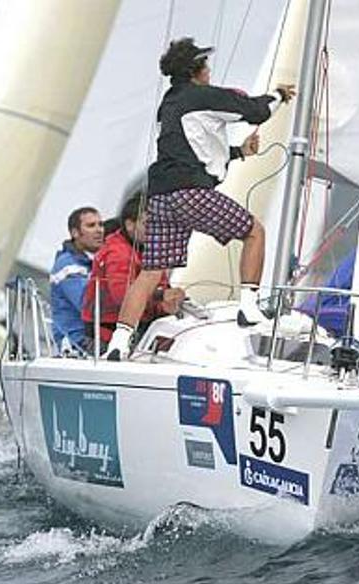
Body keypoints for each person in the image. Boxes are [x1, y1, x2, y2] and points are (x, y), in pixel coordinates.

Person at [103, 37, 296, 360]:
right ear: (197, 70)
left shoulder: (169, 103)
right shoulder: (200, 96)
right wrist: (279, 95)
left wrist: (238, 152)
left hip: (161, 198)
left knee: (151, 272)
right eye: (205, 64)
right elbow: (255, 111)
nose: (209, 69)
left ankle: (118, 344)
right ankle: (248, 308)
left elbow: (191, 150)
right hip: (190, 194)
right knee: (254, 231)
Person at [83, 195, 185, 348]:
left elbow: (161, 286)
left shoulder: (149, 251)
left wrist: (171, 299)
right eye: (148, 224)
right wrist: (162, 296)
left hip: (141, 327)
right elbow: (122, 295)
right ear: (130, 225)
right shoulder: (118, 253)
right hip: (107, 335)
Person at [50, 206, 104, 354]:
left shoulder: (95, 261)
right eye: (91, 226)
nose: (99, 230)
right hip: (76, 345)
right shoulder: (67, 266)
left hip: (94, 341)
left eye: (101, 224)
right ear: (75, 233)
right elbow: (89, 305)